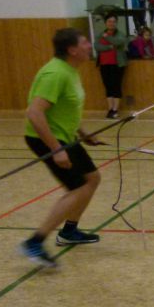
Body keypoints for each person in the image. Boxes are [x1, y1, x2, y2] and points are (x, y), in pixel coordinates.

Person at [20, 28, 103, 269]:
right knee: (77, 187)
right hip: (46, 139)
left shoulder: (70, 70)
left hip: (65, 136)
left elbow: (65, 108)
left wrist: (82, 133)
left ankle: (69, 231)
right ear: (72, 49)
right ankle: (34, 242)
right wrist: (56, 149)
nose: (89, 45)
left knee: (92, 178)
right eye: (84, 42)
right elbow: (34, 113)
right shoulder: (55, 73)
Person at [94, 14, 128, 119]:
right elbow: (97, 46)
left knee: (116, 85)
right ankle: (110, 109)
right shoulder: (100, 34)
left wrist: (107, 37)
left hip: (117, 64)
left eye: (113, 21)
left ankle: (115, 109)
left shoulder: (120, 34)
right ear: (105, 23)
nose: (111, 23)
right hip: (104, 64)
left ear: (116, 23)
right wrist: (109, 47)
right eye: (109, 21)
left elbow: (118, 42)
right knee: (108, 86)